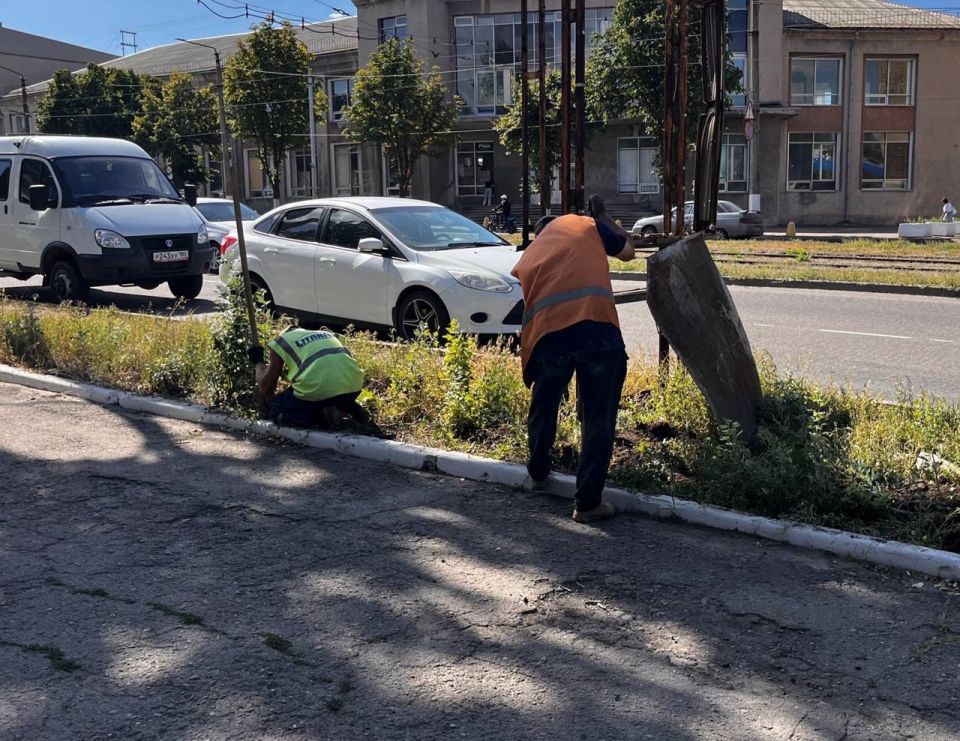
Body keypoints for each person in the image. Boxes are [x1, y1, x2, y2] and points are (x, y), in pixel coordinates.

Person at [510, 195, 636, 523]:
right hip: (596, 331)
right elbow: (628, 251)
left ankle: (538, 472)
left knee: (544, 404)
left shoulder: (530, 253)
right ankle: (588, 503)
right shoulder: (586, 224)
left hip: (549, 337)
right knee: (597, 416)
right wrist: (604, 217)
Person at [250, 326, 368, 428]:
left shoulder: (281, 341)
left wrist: (258, 361)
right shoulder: (327, 335)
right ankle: (347, 406)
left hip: (319, 388)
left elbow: (266, 388)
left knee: (276, 409)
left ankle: (321, 416)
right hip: (354, 386)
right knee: (330, 395)